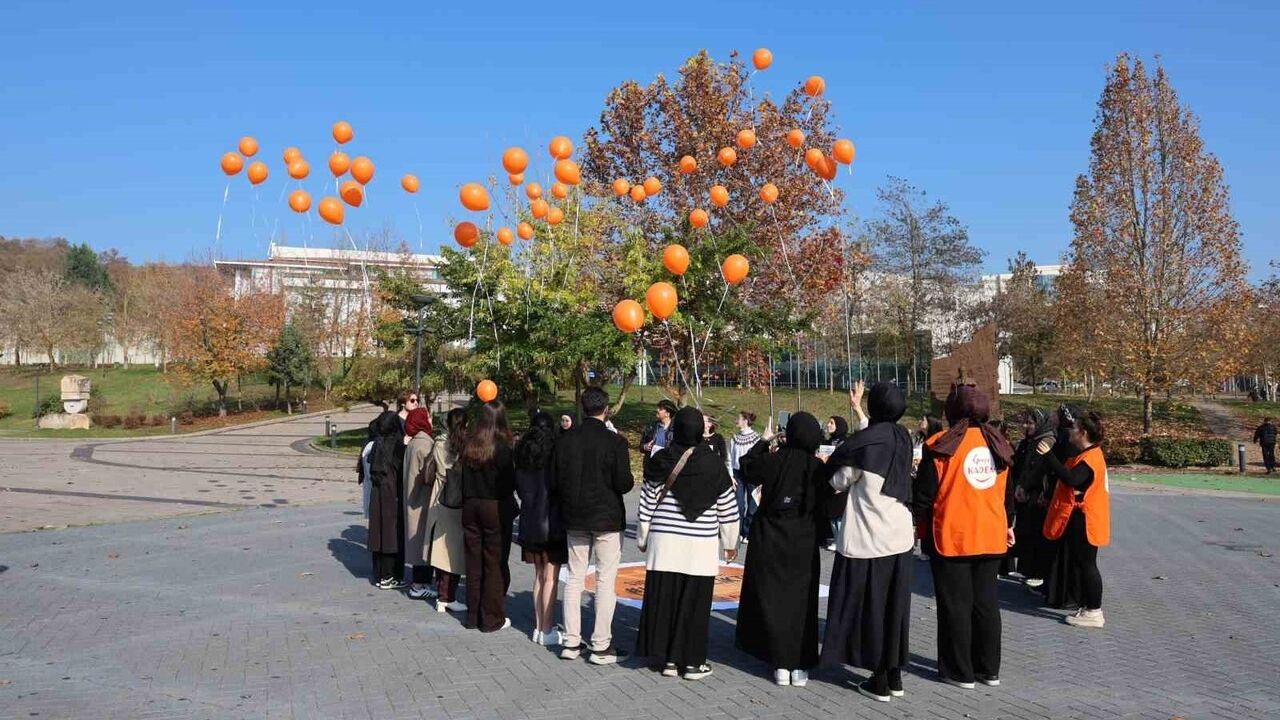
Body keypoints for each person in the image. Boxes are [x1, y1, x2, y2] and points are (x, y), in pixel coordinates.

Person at [913, 383, 1016, 689]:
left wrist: (918, 529)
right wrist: (1009, 524)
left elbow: (924, 496)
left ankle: (959, 671)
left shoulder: (940, 446)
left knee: (955, 606)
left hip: (953, 537)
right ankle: (988, 669)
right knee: (986, 604)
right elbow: (1008, 496)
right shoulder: (999, 444)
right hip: (991, 535)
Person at [821, 382, 916, 702]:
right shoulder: (902, 438)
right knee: (895, 609)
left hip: (869, 538)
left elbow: (838, 479)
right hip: (900, 537)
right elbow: (876, 436)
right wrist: (858, 409)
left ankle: (878, 679)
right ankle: (894, 674)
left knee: (871, 610)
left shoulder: (865, 447)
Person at [637, 406, 739, 681]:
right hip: (700, 545)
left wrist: (643, 536)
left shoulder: (660, 459)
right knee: (693, 605)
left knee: (666, 601)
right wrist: (730, 543)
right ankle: (692, 663)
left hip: (665, 543)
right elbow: (728, 509)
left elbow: (647, 502)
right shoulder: (714, 463)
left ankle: (667, 661)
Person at [736, 412, 826, 688]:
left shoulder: (773, 461)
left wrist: (763, 441)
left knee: (772, 598)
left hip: (769, 536)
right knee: (801, 602)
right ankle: (799, 663)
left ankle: (778, 662)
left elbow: (746, 466)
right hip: (804, 538)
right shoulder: (816, 467)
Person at [554, 387, 634, 664]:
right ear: (606, 409)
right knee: (604, 579)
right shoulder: (615, 442)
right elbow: (624, 484)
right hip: (606, 518)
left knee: (574, 577)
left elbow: (555, 480)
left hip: (575, 516)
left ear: (582, 407)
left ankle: (572, 641)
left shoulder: (566, 441)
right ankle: (601, 644)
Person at [1039, 404, 1111, 628]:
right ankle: (1088, 607)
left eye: (1075, 428)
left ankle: (1094, 611)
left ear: (1083, 433)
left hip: (1085, 520)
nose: (1070, 431)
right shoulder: (1087, 454)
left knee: (1088, 565)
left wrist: (1048, 456)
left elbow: (1072, 478)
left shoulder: (1090, 459)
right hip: (1082, 518)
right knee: (1083, 564)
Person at [460, 400, 517, 632]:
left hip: (470, 504)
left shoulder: (469, 445)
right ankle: (491, 616)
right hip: (494, 505)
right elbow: (509, 482)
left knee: (473, 562)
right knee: (494, 562)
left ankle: (473, 615)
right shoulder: (503, 448)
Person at [515, 410, 567, 646]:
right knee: (551, 577)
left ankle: (538, 626)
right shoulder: (555, 454)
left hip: (529, 520)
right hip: (553, 521)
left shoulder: (522, 453)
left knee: (537, 575)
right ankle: (547, 628)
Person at [426, 408, 467, 613]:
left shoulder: (439, 443)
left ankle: (442, 593)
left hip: (439, 494)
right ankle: (447, 597)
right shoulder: (464, 445)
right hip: (457, 496)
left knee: (439, 547)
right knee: (454, 551)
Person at [1010, 409, 1055, 588]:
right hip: (1027, 493)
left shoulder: (1046, 441)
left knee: (1035, 532)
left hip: (1037, 495)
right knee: (1025, 530)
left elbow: (1038, 470)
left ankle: (1037, 572)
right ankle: (1027, 569)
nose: (1026, 426)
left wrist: (1025, 486)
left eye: (1030, 423)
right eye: (1025, 422)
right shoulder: (1031, 441)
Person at [367, 410, 408, 589]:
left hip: (377, 493)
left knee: (379, 532)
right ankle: (390, 576)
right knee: (392, 533)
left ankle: (379, 574)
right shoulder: (397, 444)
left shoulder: (376, 443)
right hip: (393, 493)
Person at [402, 407, 437, 599]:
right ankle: (419, 584)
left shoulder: (414, 442)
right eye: (428, 417)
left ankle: (419, 582)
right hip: (422, 501)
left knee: (418, 542)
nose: (431, 420)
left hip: (413, 499)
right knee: (422, 544)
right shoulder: (424, 444)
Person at [727, 412, 762, 539]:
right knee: (738, 504)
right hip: (737, 474)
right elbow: (729, 458)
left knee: (753, 504)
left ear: (745, 421)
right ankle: (738, 531)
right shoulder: (734, 438)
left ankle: (747, 531)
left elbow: (759, 456)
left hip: (752, 473)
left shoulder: (756, 438)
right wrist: (730, 476)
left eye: (739, 418)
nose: (736, 420)